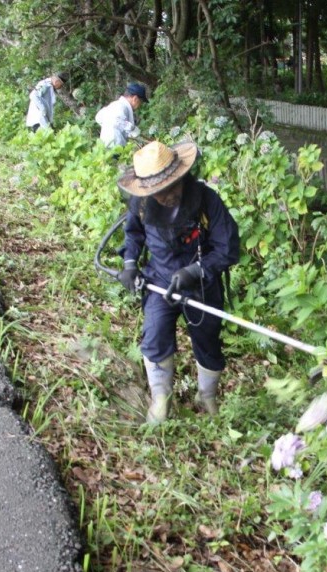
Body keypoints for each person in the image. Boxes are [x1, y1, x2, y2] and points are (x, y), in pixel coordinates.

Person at [117, 141, 240, 424]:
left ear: (181, 177)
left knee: (207, 340)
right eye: (158, 192)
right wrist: (129, 264)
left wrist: (196, 271)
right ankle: (161, 400)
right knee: (155, 332)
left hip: (200, 281)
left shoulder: (207, 201)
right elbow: (133, 233)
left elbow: (227, 248)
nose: (165, 196)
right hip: (160, 279)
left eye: (170, 188)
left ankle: (206, 396)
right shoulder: (143, 202)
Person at [95, 83, 149, 147]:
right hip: (115, 145)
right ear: (135, 99)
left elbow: (98, 117)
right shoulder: (122, 107)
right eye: (141, 102)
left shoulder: (114, 104)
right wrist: (132, 129)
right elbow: (118, 120)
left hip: (104, 144)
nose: (140, 105)